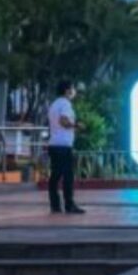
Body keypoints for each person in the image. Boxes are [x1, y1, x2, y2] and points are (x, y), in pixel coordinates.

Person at [47, 81, 84, 214]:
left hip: (53, 144)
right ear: (67, 90)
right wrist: (76, 126)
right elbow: (63, 121)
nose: (74, 91)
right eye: (73, 88)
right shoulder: (66, 104)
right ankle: (69, 204)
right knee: (68, 176)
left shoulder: (54, 104)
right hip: (63, 145)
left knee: (55, 176)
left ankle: (55, 205)